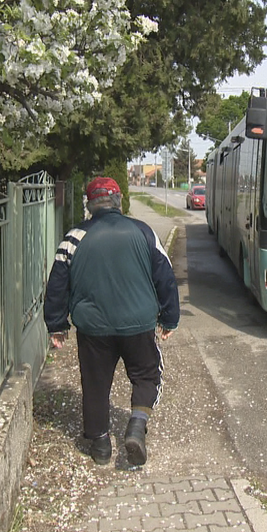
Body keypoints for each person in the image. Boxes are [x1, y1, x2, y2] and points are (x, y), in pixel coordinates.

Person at [43, 176, 179, 467]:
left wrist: (57, 324)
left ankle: (101, 444)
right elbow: (165, 277)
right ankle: (135, 426)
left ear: (90, 205)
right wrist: (169, 317)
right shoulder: (143, 232)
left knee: (95, 383)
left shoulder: (73, 237)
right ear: (119, 201)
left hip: (93, 328)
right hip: (138, 325)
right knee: (147, 375)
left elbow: (57, 283)